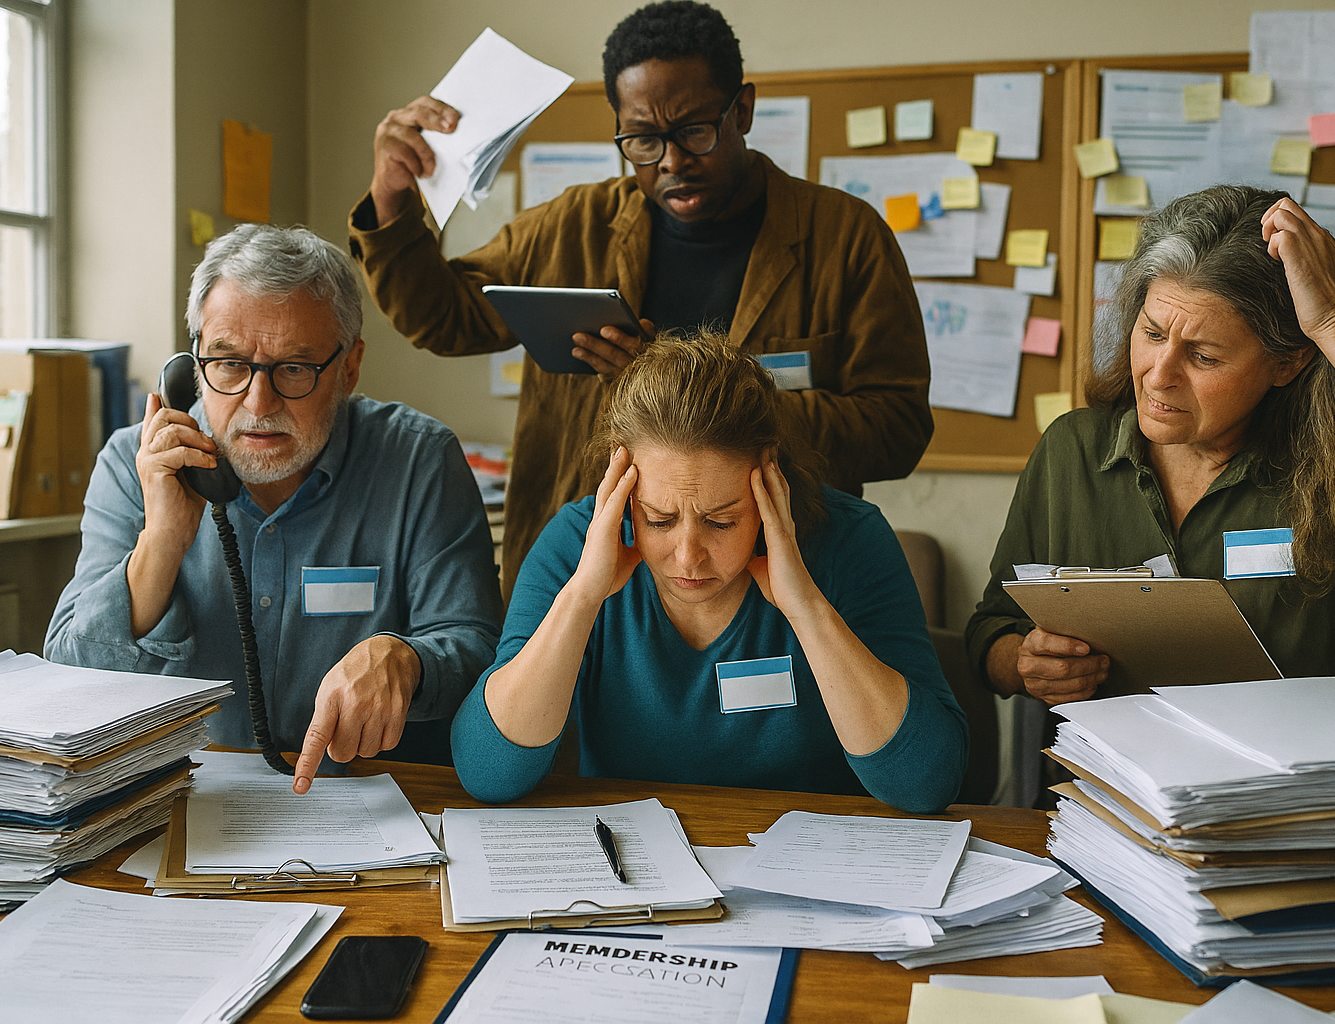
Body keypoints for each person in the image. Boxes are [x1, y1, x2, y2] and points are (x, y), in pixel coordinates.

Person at [348, 0, 932, 598]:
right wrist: (392, 201)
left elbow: (898, 429)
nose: (672, 162)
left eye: (694, 132)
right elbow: (444, 319)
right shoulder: (572, 227)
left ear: (744, 110)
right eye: (643, 140)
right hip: (588, 580)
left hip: (777, 585)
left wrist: (702, 393)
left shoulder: (844, 238)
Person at [967, 184, 1335, 706]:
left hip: (1302, 795)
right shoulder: (1073, 450)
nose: (1158, 377)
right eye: (1152, 333)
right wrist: (1022, 661)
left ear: (1288, 361)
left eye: (1203, 356)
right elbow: (992, 629)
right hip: (1109, 794)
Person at [47, 225, 503, 794]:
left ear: (349, 368)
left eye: (294, 368)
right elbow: (68, 675)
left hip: (369, 801)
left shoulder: (419, 460)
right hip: (179, 802)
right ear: (192, 366)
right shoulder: (133, 463)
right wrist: (161, 540)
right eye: (229, 364)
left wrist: (406, 658)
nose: (257, 404)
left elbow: (477, 645)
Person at [451, 333, 966, 814]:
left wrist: (806, 608)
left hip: (816, 874)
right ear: (623, 486)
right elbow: (487, 772)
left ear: (768, 477)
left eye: (721, 521)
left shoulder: (850, 542)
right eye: (659, 519)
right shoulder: (578, 546)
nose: (688, 555)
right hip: (640, 871)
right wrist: (583, 597)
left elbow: (927, 783)